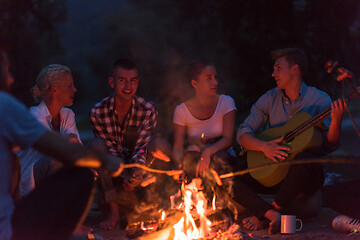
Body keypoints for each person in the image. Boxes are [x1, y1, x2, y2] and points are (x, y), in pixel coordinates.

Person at [0, 49, 123, 240]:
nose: (11, 78)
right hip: (30, 192)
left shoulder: (68, 115)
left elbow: (74, 144)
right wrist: (104, 161)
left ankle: (107, 213)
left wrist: (89, 153)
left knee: (92, 150)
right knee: (69, 164)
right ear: (54, 89)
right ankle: (66, 226)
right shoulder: (22, 111)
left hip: (19, 212)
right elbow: (65, 150)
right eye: (6, 70)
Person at [235, 48, 347, 234]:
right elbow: (243, 133)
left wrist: (336, 120)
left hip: (305, 174)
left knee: (308, 157)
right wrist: (264, 146)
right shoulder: (269, 98)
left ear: (295, 69)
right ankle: (273, 213)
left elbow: (329, 146)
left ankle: (269, 212)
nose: (273, 73)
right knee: (229, 177)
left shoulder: (320, 99)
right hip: (275, 170)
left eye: (278, 68)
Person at [89, 58, 163, 231]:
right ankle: (114, 211)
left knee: (160, 145)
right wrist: (125, 175)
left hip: (141, 172)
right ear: (111, 82)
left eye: (133, 81)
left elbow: (143, 146)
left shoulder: (148, 109)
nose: (128, 86)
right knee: (96, 146)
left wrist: (137, 173)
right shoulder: (97, 112)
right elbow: (110, 153)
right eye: (122, 81)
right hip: (113, 177)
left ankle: (154, 202)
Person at [172, 60, 236, 192]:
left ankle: (222, 203)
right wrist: (179, 165)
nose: (215, 82)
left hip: (222, 157)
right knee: (189, 160)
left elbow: (228, 140)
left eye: (215, 77)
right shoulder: (182, 110)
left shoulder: (226, 102)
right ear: (195, 83)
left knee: (217, 162)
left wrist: (208, 152)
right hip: (195, 157)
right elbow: (177, 147)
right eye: (209, 78)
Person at [18, 64, 80, 197]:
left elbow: (77, 148)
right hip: (32, 182)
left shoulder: (68, 114)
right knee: (56, 160)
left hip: (57, 173)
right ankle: (52, 212)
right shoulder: (34, 115)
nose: (74, 90)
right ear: (54, 90)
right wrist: (70, 138)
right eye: (69, 86)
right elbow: (53, 146)